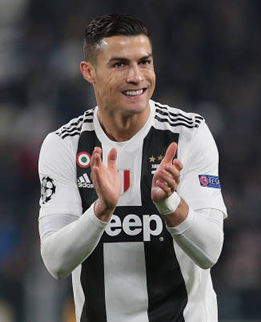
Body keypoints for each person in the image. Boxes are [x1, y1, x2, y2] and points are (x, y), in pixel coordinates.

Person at [37, 14, 227, 322]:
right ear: (89, 72)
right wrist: (101, 210)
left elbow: (209, 251)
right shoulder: (64, 145)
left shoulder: (188, 134)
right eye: (119, 64)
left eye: (145, 62)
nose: (137, 76)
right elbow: (56, 262)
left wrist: (169, 203)